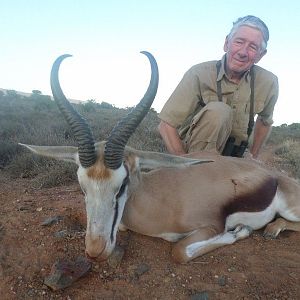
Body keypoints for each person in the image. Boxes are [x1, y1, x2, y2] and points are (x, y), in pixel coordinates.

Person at [158, 15, 278, 159]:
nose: (242, 52)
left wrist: (253, 156)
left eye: (253, 47)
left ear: (260, 55)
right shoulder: (199, 73)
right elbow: (166, 125)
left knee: (265, 179)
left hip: (236, 155)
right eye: (239, 42)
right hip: (194, 154)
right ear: (227, 43)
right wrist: (183, 161)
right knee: (219, 111)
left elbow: (265, 122)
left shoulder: (269, 82)